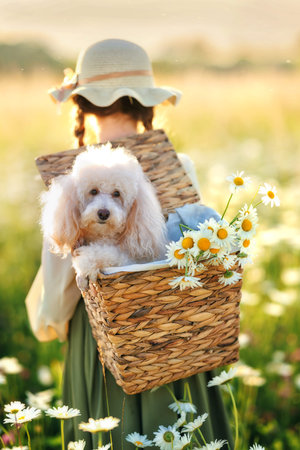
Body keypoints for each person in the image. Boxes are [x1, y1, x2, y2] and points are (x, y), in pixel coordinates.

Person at [26, 39, 233, 449]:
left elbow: (57, 291)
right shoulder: (178, 165)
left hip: (103, 341)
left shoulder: (71, 175)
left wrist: (48, 324)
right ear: (146, 103)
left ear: (81, 103)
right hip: (177, 334)